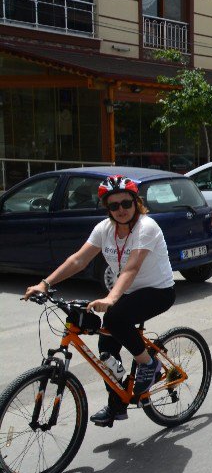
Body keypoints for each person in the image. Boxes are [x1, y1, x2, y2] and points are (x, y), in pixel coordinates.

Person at [24, 175, 176, 427]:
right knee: (106, 350)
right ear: (107, 208)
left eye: (126, 203)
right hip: (126, 292)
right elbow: (78, 260)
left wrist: (110, 298)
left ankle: (150, 364)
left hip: (157, 291)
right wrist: (45, 284)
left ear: (135, 203)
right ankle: (117, 406)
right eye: (114, 206)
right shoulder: (104, 229)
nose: (121, 210)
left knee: (115, 318)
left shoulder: (146, 227)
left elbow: (131, 268)